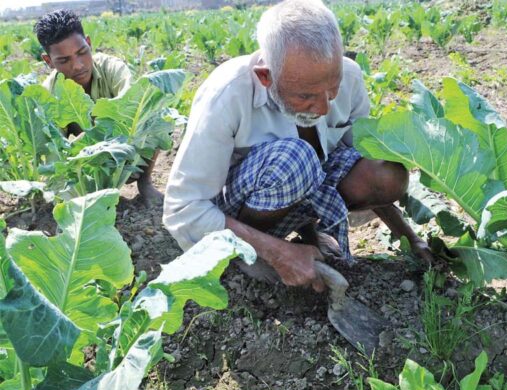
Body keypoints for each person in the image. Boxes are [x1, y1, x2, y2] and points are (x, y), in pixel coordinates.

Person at [163, 0, 433, 292]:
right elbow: (184, 210)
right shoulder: (227, 94)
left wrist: (412, 238)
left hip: (300, 191)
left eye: (332, 90)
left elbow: (362, 162)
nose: (324, 108)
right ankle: (246, 255)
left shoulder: (350, 76)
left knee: (386, 172)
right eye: (306, 97)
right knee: (296, 160)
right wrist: (276, 252)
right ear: (266, 77)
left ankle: (307, 233)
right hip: (236, 211)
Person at [34, 9, 163, 205]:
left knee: (155, 116)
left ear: (89, 43)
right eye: (64, 60)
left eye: (82, 52)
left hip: (125, 159)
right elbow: (54, 153)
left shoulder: (113, 68)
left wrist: (100, 137)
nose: (77, 65)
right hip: (88, 167)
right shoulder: (49, 93)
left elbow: (132, 109)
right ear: (49, 61)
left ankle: (144, 183)